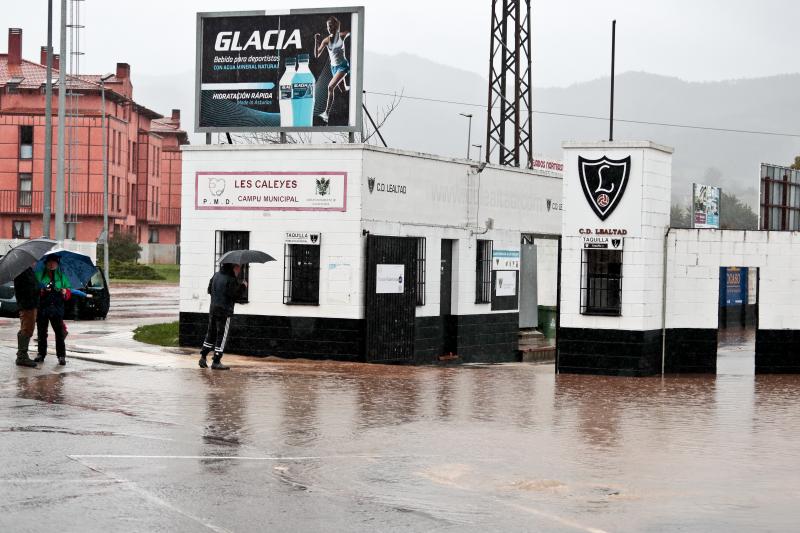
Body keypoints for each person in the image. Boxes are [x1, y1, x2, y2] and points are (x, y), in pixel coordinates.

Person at [200, 263, 247, 370]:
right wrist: (243, 286)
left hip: (213, 309)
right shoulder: (231, 279)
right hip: (225, 311)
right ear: (234, 267)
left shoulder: (216, 275)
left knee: (211, 333)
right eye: (239, 267)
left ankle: (203, 357)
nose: (239, 270)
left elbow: (209, 290)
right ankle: (216, 361)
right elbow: (235, 296)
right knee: (222, 335)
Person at [34, 256, 71, 366]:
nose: (51, 264)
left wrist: (65, 292)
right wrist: (42, 290)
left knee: (59, 333)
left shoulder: (62, 276)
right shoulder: (39, 275)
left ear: (57, 264)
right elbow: (34, 290)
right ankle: (41, 354)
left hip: (57, 309)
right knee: (41, 333)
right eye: (49, 262)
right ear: (45, 264)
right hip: (43, 308)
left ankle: (61, 356)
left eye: (54, 262)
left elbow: (68, 293)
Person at [314, 16, 350, 124]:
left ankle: (326, 114)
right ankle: (352, 88)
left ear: (335, 26)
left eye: (331, 26)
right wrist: (316, 41)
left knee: (330, 87)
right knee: (343, 89)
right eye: (328, 27)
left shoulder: (342, 36)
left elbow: (352, 32)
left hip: (343, 66)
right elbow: (316, 55)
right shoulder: (326, 41)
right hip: (334, 68)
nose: (329, 28)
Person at [13, 261, 40, 367]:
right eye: (34, 261)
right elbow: (27, 289)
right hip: (27, 305)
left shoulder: (28, 271)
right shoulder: (22, 272)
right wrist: (37, 289)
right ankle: (22, 357)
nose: (35, 262)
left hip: (30, 304)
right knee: (27, 329)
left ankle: (21, 355)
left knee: (26, 328)